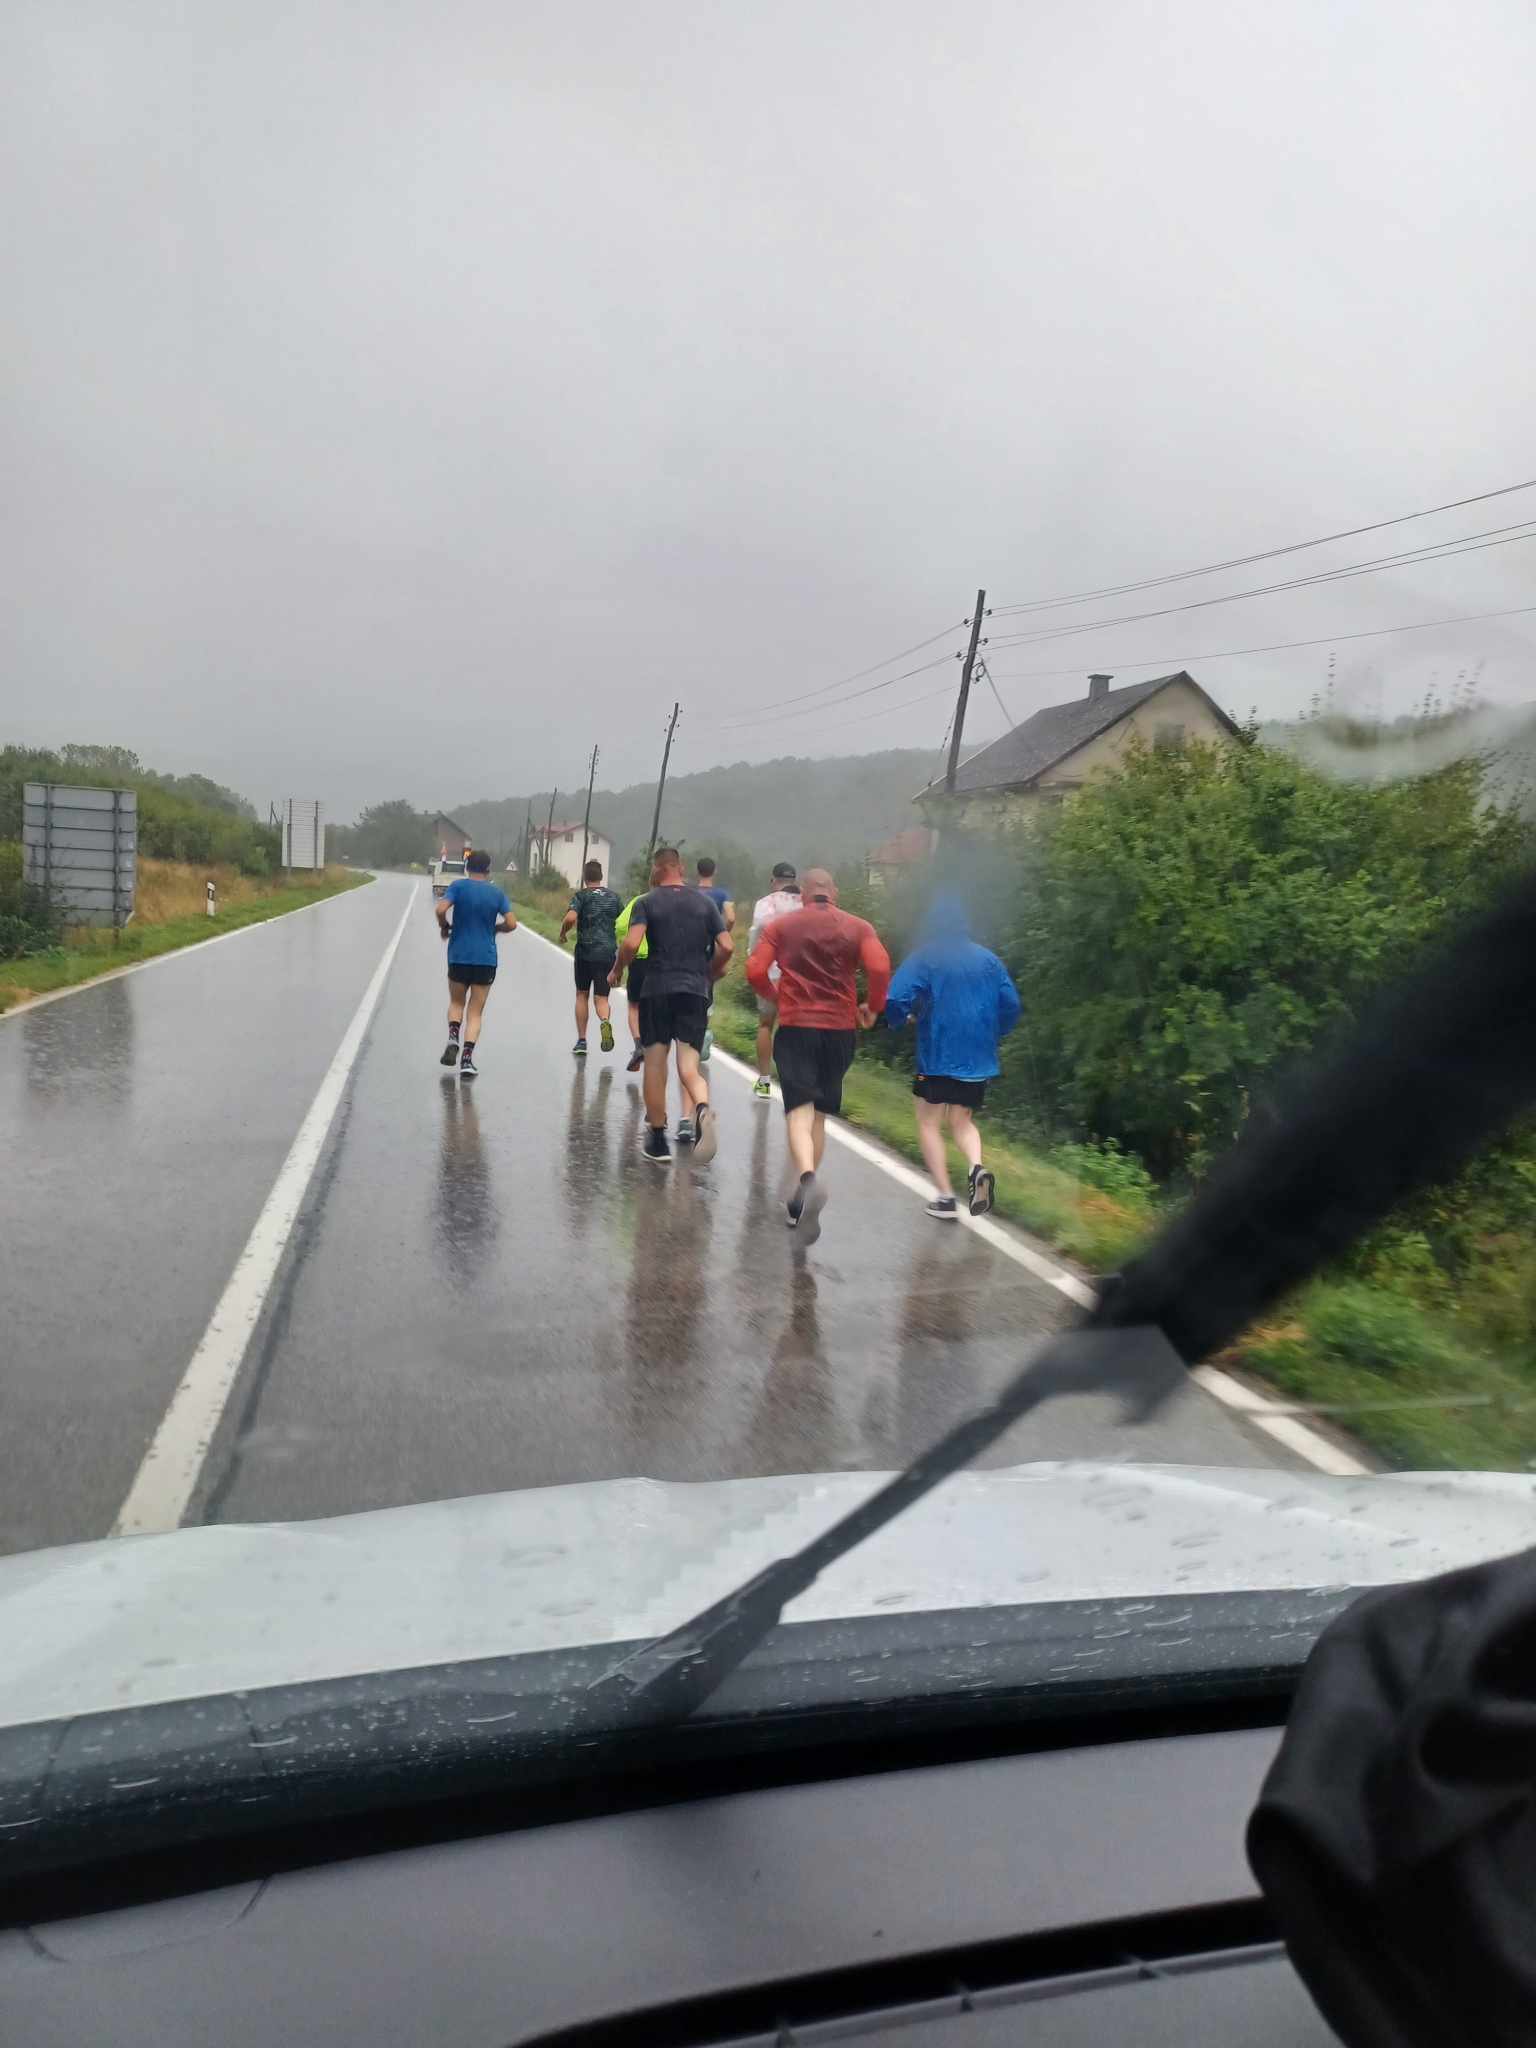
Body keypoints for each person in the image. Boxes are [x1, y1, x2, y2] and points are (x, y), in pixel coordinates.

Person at [747, 867, 889, 1240]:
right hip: (840, 1031)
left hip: (797, 1026)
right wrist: (873, 1007)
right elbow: (880, 966)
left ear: (804, 894)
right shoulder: (859, 927)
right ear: (834, 892)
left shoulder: (783, 926)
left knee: (799, 1110)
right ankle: (799, 1201)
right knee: (819, 1117)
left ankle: (808, 1179)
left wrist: (777, 997)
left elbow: (755, 969)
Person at [883, 892, 1021, 1219]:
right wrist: (995, 1032)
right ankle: (976, 1168)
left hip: (938, 1055)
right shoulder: (989, 960)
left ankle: (945, 1198)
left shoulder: (926, 956)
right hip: (978, 1059)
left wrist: (900, 1020)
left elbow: (897, 997)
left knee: (928, 1121)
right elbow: (1011, 1004)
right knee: (962, 1122)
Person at [612, 847, 733, 1164]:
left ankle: (657, 1140)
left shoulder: (647, 902)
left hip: (658, 990)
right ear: (681, 868)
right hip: (695, 991)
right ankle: (702, 1108)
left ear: (657, 869)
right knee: (689, 1067)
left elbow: (631, 943)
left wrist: (617, 969)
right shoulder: (705, 903)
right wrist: (710, 973)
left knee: (655, 1063)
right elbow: (727, 946)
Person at [434, 850, 516, 1077]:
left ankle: (453, 1037)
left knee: (456, 1002)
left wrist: (444, 925)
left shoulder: (458, 887)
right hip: (485, 959)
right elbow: (512, 923)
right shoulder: (497, 893)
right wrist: (497, 928)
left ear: (467, 867)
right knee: (475, 1012)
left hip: (459, 955)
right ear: (488, 869)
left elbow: (440, 909)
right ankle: (467, 1060)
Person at [746, 862, 802, 1099]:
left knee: (765, 1025)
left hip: (769, 973)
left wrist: (752, 961)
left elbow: (755, 938)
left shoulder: (765, 904)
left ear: (773, 880)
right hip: (798, 975)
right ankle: (795, 1082)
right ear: (794, 880)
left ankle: (764, 1081)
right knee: (795, 1028)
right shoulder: (806, 904)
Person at [558, 859, 623, 1056]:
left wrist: (563, 932)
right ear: (601, 876)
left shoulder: (581, 896)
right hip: (607, 953)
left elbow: (571, 918)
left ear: (585, 877)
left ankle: (582, 1041)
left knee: (582, 995)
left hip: (585, 953)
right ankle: (605, 1021)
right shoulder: (614, 898)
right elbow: (623, 924)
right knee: (601, 999)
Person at [613, 890, 649, 1073]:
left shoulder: (639, 901)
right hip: (664, 965)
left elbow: (620, 925)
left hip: (639, 961)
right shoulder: (677, 901)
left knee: (634, 1006)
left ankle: (639, 1045)